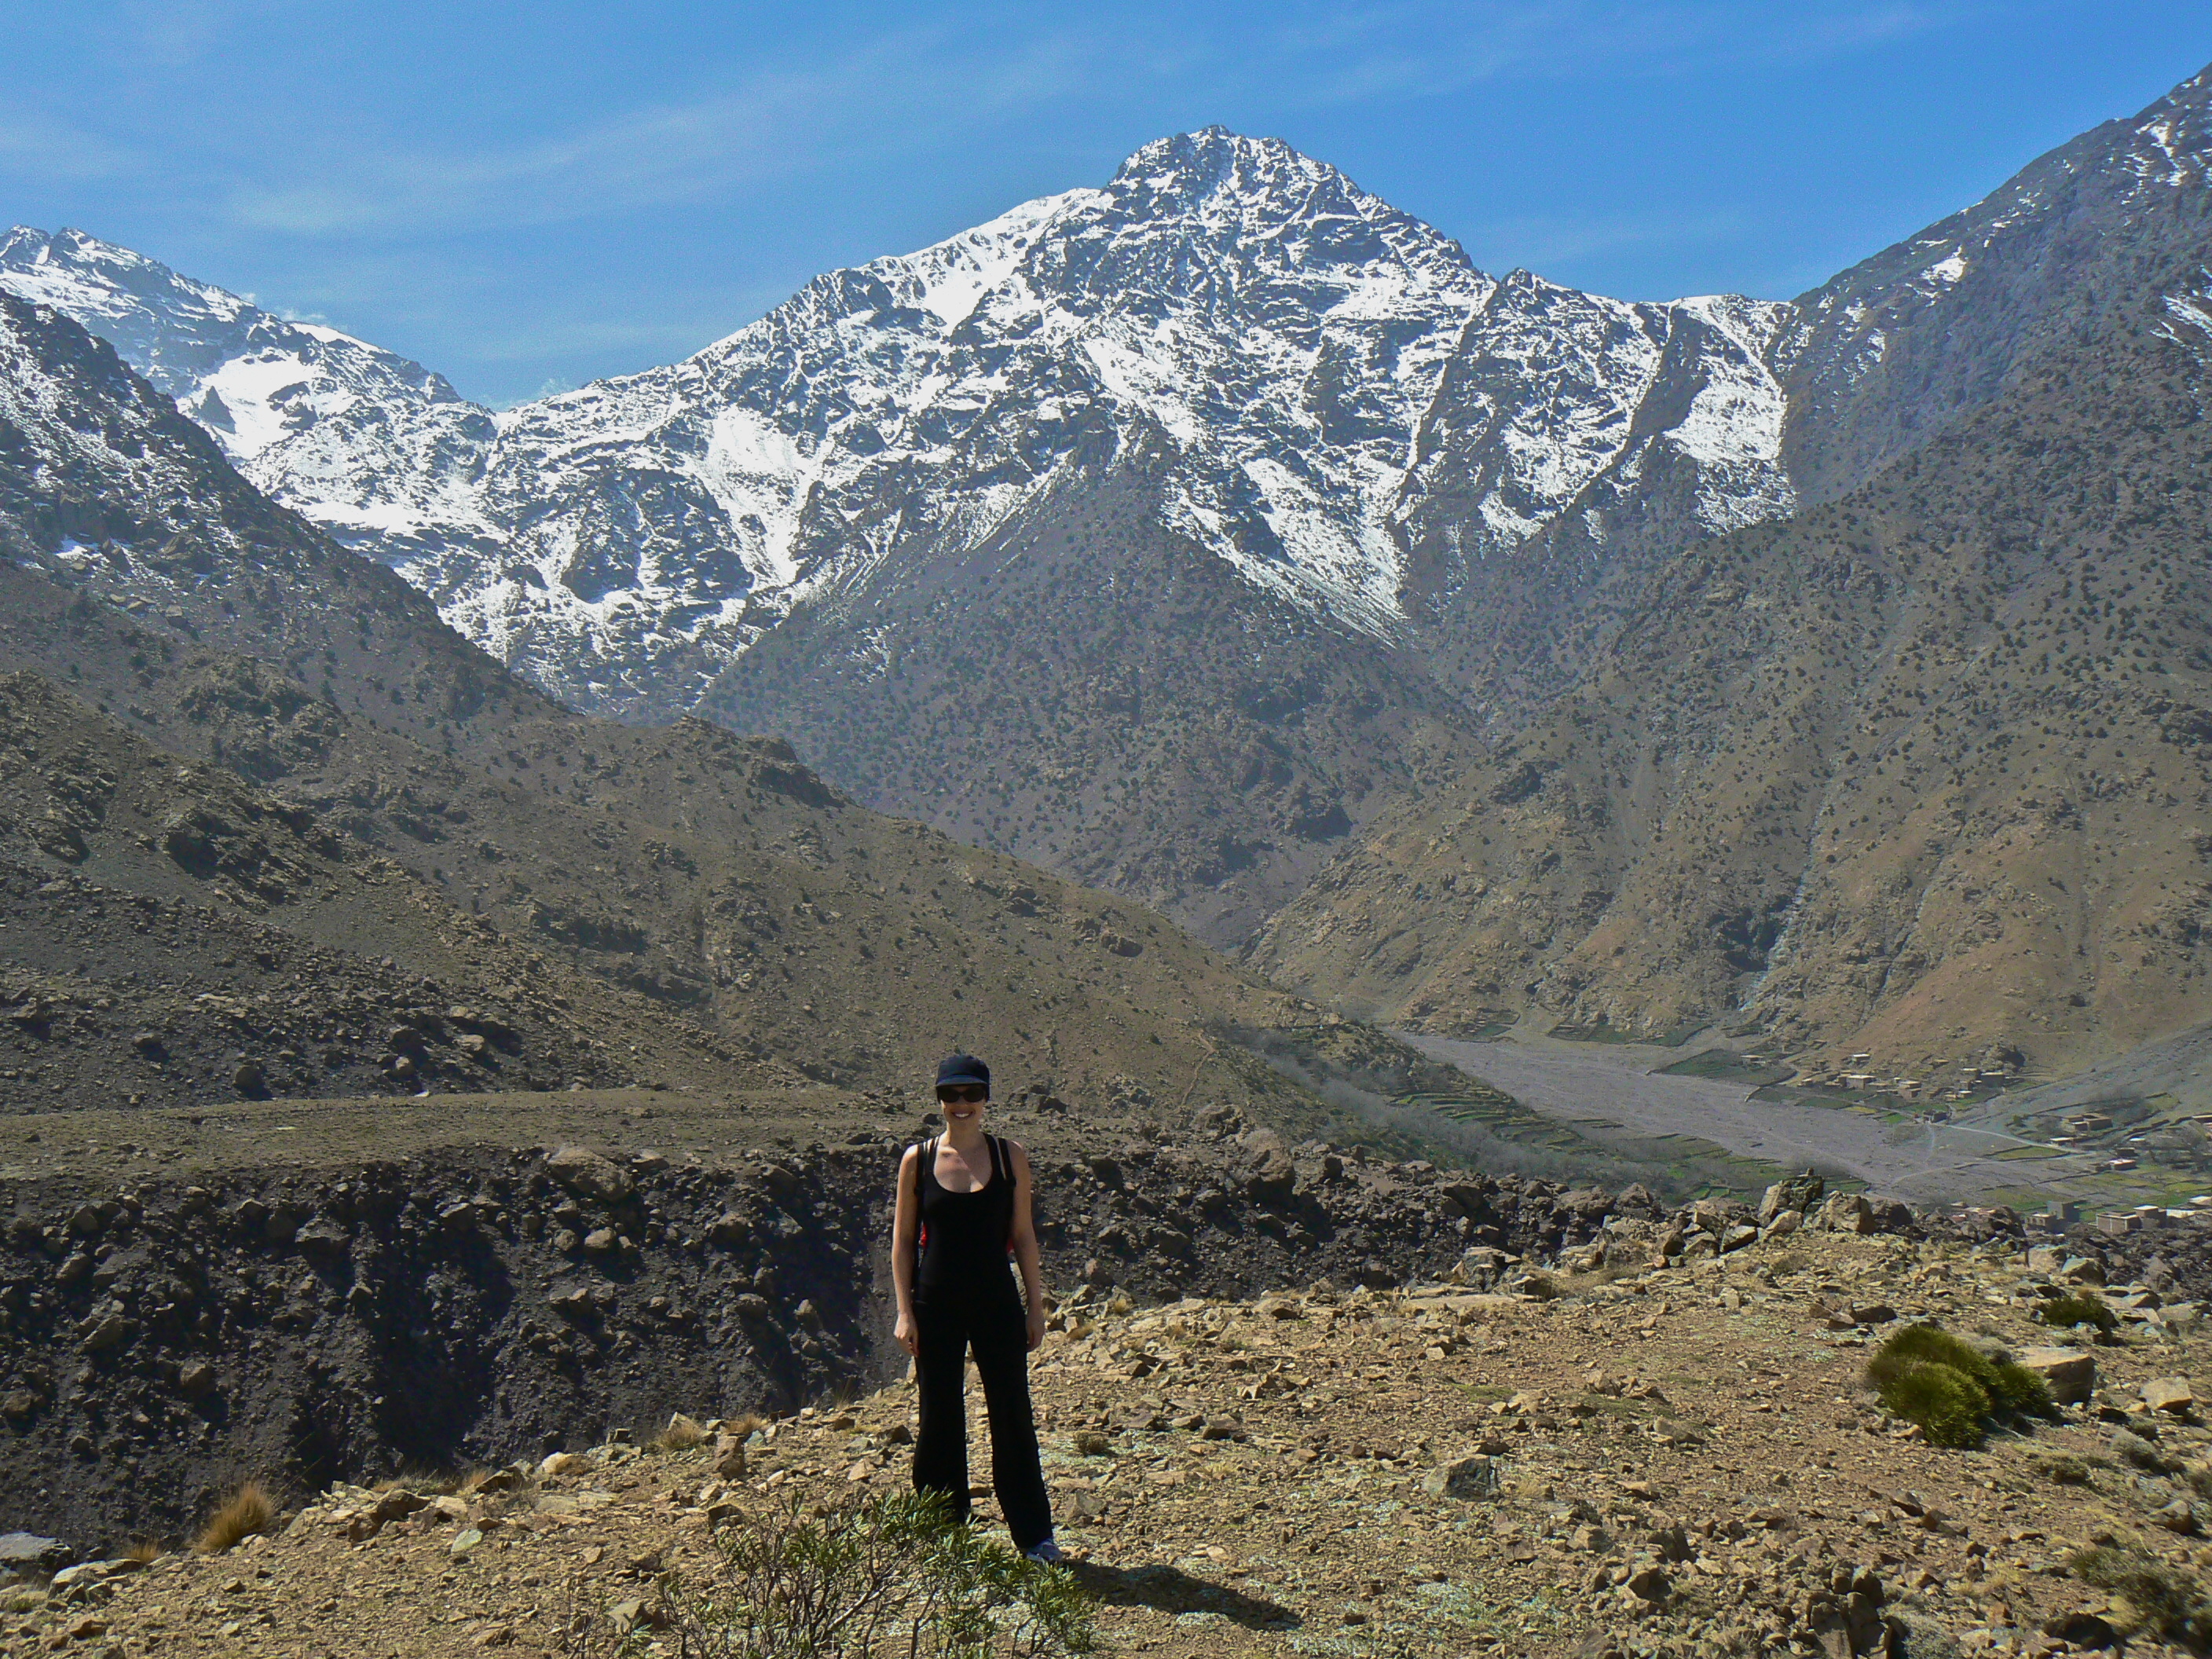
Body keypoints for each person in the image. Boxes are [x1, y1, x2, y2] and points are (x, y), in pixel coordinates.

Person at [892, 1053, 1060, 1562]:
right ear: (939, 1100)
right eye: (951, 1095)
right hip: (935, 1304)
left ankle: (1033, 1536)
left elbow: (1024, 1237)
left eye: (971, 1094)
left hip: (996, 1305)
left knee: (1012, 1415)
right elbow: (901, 1242)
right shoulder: (917, 1161)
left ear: (987, 1098)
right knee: (940, 1418)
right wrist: (904, 1311)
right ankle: (944, 1535)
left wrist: (1036, 1307)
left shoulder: (1012, 1158)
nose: (961, 1105)